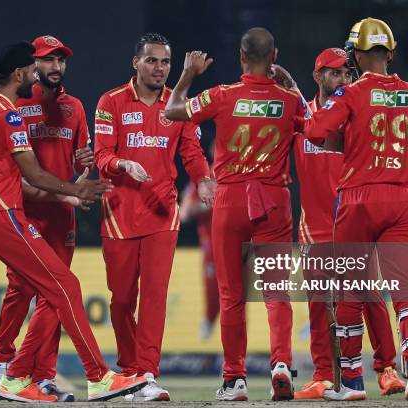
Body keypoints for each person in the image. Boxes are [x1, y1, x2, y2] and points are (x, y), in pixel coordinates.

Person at [0, 41, 147, 402]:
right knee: (65, 287)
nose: (36, 74)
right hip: (3, 213)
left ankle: (17, 377)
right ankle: (97, 376)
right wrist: (75, 191)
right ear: (19, 74)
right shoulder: (10, 114)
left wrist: (74, 181)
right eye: (33, 68)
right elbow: (35, 175)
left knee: (56, 290)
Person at [290, 48, 408, 400]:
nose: (341, 78)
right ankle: (350, 370)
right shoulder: (308, 113)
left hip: (353, 211)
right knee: (350, 296)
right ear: (318, 76)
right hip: (327, 222)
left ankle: (371, 375)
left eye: (346, 72)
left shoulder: (349, 103)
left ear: (356, 66)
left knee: (359, 296)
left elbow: (317, 133)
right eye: (334, 73)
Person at [165, 27, 304, 401]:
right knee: (277, 293)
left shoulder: (223, 95)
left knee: (231, 296)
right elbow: (319, 128)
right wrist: (292, 84)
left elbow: (171, 111)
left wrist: (188, 75)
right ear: (273, 57)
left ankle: (234, 380)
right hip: (274, 200)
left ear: (242, 57)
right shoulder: (289, 100)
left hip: (230, 200)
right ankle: (280, 364)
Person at [93, 33, 214, 402]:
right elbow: (101, 157)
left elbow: (191, 151)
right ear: (136, 63)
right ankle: (130, 371)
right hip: (119, 215)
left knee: (155, 297)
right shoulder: (110, 102)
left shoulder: (178, 105)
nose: (159, 68)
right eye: (152, 61)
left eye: (165, 62)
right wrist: (122, 163)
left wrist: (205, 179)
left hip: (163, 214)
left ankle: (146, 373)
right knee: (122, 299)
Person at [0, 35, 94, 402]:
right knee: (22, 290)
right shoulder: (18, 104)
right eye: (48, 60)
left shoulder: (75, 108)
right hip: (24, 210)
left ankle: (42, 374)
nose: (56, 68)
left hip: (61, 214)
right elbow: (17, 168)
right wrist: (72, 190)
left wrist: (84, 168)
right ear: (31, 66)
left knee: (56, 295)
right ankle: (3, 364)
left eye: (61, 61)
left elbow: (82, 161)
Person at [178, 149, 218, 340]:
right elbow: (184, 213)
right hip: (212, 246)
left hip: (240, 244)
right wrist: (209, 205)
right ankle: (209, 319)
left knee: (239, 298)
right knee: (213, 291)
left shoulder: (242, 173)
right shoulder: (205, 178)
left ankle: (238, 355)